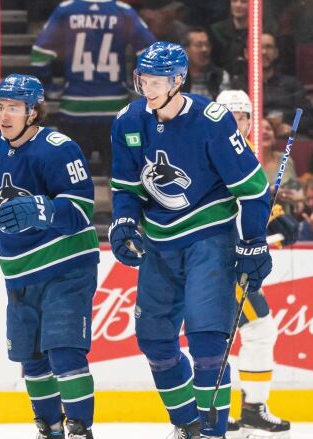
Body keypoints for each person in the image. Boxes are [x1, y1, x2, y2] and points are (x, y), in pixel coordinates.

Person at [109, 42, 271, 439]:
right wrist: (124, 222)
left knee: (206, 343)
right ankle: (188, 426)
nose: (148, 87)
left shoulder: (211, 120)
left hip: (208, 239)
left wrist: (253, 242)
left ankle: (214, 433)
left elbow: (254, 190)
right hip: (159, 244)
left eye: (158, 80)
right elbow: (125, 188)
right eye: (143, 78)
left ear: (178, 80)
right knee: (155, 343)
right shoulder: (128, 120)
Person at [0, 74, 99, 439]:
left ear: (33, 112)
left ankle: (80, 429)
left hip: (66, 267)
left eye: (14, 107)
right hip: (19, 272)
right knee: (32, 358)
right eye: (0, 106)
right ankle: (51, 428)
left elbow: (81, 207)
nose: (4, 114)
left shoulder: (58, 148)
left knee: (63, 349)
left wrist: (41, 210)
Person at [216, 89, 292, 437]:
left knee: (230, 335)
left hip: (228, 257)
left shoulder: (241, 151)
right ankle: (246, 409)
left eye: (243, 117)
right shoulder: (216, 152)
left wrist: (273, 216)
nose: (237, 123)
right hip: (220, 260)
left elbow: (249, 200)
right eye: (230, 116)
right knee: (254, 329)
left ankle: (237, 409)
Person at [30, 0, 155, 175]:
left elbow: (39, 55)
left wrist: (49, 87)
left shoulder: (67, 10)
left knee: (70, 180)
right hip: (115, 109)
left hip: (75, 109)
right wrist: (140, 87)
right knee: (120, 180)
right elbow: (152, 53)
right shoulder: (122, 11)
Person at [181, 28, 229, 100]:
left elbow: (226, 106)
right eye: (199, 45)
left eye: (207, 45)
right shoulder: (177, 77)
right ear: (185, 50)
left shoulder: (220, 76)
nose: (204, 49)